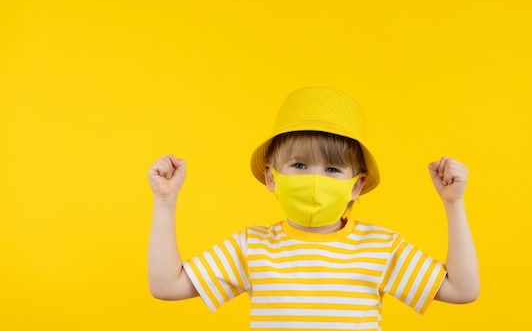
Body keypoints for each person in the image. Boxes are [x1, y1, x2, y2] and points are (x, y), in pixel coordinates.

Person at [147, 86, 479, 330]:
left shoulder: (380, 247)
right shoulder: (252, 247)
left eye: (333, 169)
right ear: (271, 177)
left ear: (357, 185)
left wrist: (454, 204)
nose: (315, 180)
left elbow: (462, 290)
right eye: (300, 165)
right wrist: (165, 202)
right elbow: (166, 286)